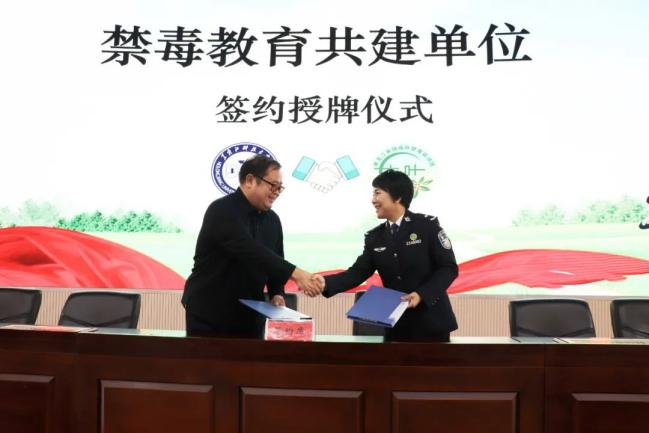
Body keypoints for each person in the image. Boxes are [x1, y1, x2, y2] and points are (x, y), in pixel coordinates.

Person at [182, 155, 321, 337]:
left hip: (251, 312)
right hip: (210, 311)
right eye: (273, 185)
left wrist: (276, 293)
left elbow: (275, 260)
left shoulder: (273, 220)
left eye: (280, 187)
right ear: (250, 180)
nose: (277, 192)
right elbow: (250, 250)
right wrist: (298, 274)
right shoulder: (221, 210)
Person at [315, 169, 459, 342]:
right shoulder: (375, 237)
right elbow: (358, 272)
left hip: (432, 324)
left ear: (397, 197)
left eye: (377, 193)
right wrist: (324, 283)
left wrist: (421, 294)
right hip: (395, 325)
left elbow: (448, 268)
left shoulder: (427, 226)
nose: (373, 200)